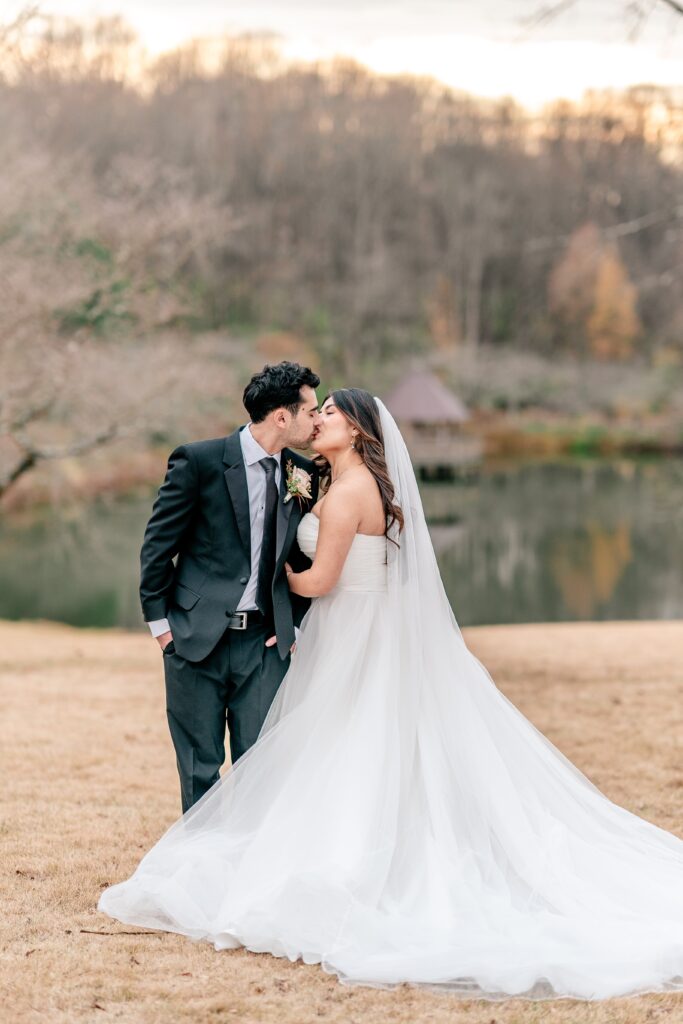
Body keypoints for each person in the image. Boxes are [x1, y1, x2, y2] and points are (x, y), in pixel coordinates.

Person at [100, 389, 683, 1001]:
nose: (317, 419)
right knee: (346, 745)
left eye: (327, 412)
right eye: (313, 409)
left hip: (350, 631)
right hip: (348, 628)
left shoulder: (348, 493)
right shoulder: (325, 482)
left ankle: (336, 863)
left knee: (344, 742)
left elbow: (319, 578)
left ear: (355, 431)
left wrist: (271, 581)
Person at [139, 361, 320, 812]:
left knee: (262, 768)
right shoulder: (198, 461)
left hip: (264, 646)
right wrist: (164, 629)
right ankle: (199, 875)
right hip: (194, 640)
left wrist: (292, 623)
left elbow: (303, 559)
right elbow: (158, 548)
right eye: (311, 411)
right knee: (200, 770)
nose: (317, 420)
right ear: (283, 417)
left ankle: (251, 876)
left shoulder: (305, 475)